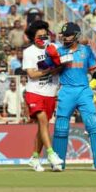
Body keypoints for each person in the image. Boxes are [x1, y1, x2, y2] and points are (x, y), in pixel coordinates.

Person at [46, 22, 96, 172]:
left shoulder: (86, 51)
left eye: (68, 35)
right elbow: (47, 69)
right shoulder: (59, 51)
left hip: (84, 90)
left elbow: (93, 70)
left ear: (76, 35)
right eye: (63, 35)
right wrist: (56, 62)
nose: (65, 38)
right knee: (61, 127)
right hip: (66, 91)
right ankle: (58, 163)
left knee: (94, 124)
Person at [23, 20, 63, 172]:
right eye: (40, 36)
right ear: (34, 38)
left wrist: (58, 65)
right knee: (43, 121)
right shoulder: (29, 52)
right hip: (34, 92)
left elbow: (62, 66)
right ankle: (51, 155)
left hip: (50, 93)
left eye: (45, 35)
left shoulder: (54, 48)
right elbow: (32, 74)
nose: (43, 38)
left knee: (42, 127)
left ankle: (34, 158)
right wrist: (49, 69)